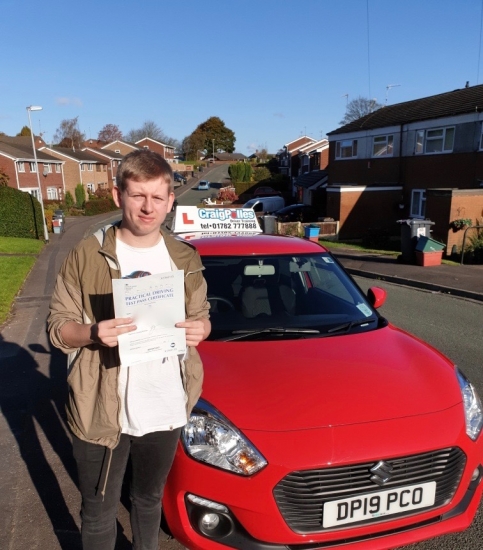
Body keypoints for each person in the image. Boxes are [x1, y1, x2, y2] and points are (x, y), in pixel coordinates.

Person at [47, 149, 211, 550]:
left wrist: (201, 329)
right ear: (119, 195)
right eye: (138, 195)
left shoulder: (183, 258)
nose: (148, 207)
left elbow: (203, 315)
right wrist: (92, 332)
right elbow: (56, 329)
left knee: (148, 500)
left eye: (158, 197)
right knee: (99, 512)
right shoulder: (87, 255)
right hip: (101, 410)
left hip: (166, 406)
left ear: (171, 200)